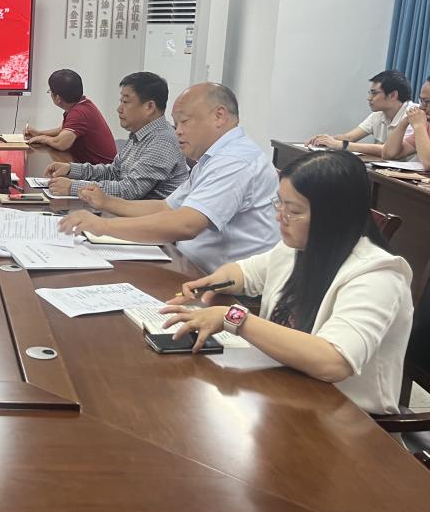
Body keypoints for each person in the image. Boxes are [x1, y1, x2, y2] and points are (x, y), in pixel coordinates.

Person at [160, 150, 413, 415]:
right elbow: (244, 273)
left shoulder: (378, 274)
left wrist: (234, 318)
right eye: (279, 204)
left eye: (293, 210)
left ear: (333, 216)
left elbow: (333, 361)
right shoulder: (298, 248)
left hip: (347, 419)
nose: (279, 216)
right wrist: (215, 282)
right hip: (285, 394)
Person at [59, 83, 279, 273]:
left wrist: (103, 226)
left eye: (185, 122)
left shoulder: (235, 161)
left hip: (225, 287)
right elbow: (166, 207)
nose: (178, 131)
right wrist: (107, 202)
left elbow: (186, 224)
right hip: (188, 265)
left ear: (219, 116)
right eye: (176, 124)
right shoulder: (213, 157)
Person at [44, 72, 187, 200]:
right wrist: (71, 169)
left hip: (148, 218)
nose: (119, 109)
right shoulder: (141, 134)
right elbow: (114, 172)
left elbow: (129, 190)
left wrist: (73, 187)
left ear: (149, 107)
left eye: (125, 102)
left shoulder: (162, 141)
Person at [307, 70, 415, 158]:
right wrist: (326, 140)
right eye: (370, 93)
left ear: (393, 95)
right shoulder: (378, 114)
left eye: (374, 93)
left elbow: (390, 150)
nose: (369, 98)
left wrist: (341, 145)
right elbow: (349, 137)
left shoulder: (414, 114)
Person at [24, 69, 116, 165]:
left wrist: (43, 138)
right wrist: (39, 133)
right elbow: (63, 130)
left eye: (50, 91)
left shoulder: (79, 113)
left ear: (58, 98)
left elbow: (61, 143)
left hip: (102, 170)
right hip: (93, 166)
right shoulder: (83, 104)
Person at [382, 76, 430, 169]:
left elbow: (428, 163)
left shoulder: (423, 126)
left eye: (427, 102)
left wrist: (419, 126)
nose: (421, 107)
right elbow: (388, 154)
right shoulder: (428, 126)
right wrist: (404, 122)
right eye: (421, 101)